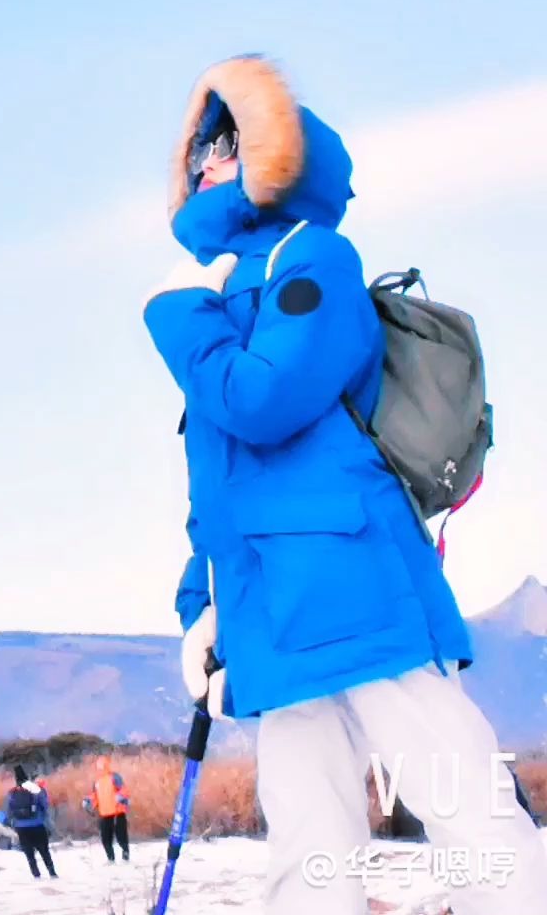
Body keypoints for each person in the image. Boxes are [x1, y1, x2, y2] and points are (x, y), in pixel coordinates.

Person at [147, 55, 547, 915]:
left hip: (352, 592)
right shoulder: (220, 293)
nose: (201, 165)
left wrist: (178, 316)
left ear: (266, 154)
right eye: (194, 152)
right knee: (307, 854)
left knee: (475, 826)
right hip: (268, 616)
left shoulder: (314, 259)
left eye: (220, 143)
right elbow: (216, 491)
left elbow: (262, 401)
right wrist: (200, 606)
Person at [5, 764, 56, 880]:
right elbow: (45, 805)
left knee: (29, 853)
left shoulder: (12, 792)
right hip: (37, 825)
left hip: (21, 827)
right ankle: (52, 872)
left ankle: (36, 875)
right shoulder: (36, 789)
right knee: (44, 850)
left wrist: (13, 823)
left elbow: (9, 810)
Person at [84, 755, 130, 863]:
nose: (100, 767)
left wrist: (121, 796)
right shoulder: (97, 781)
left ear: (107, 765)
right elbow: (95, 795)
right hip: (104, 813)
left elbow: (124, 790)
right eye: (98, 766)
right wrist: (87, 801)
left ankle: (126, 854)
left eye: (102, 765)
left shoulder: (115, 777)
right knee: (105, 838)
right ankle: (110, 859)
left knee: (121, 837)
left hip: (117, 813)